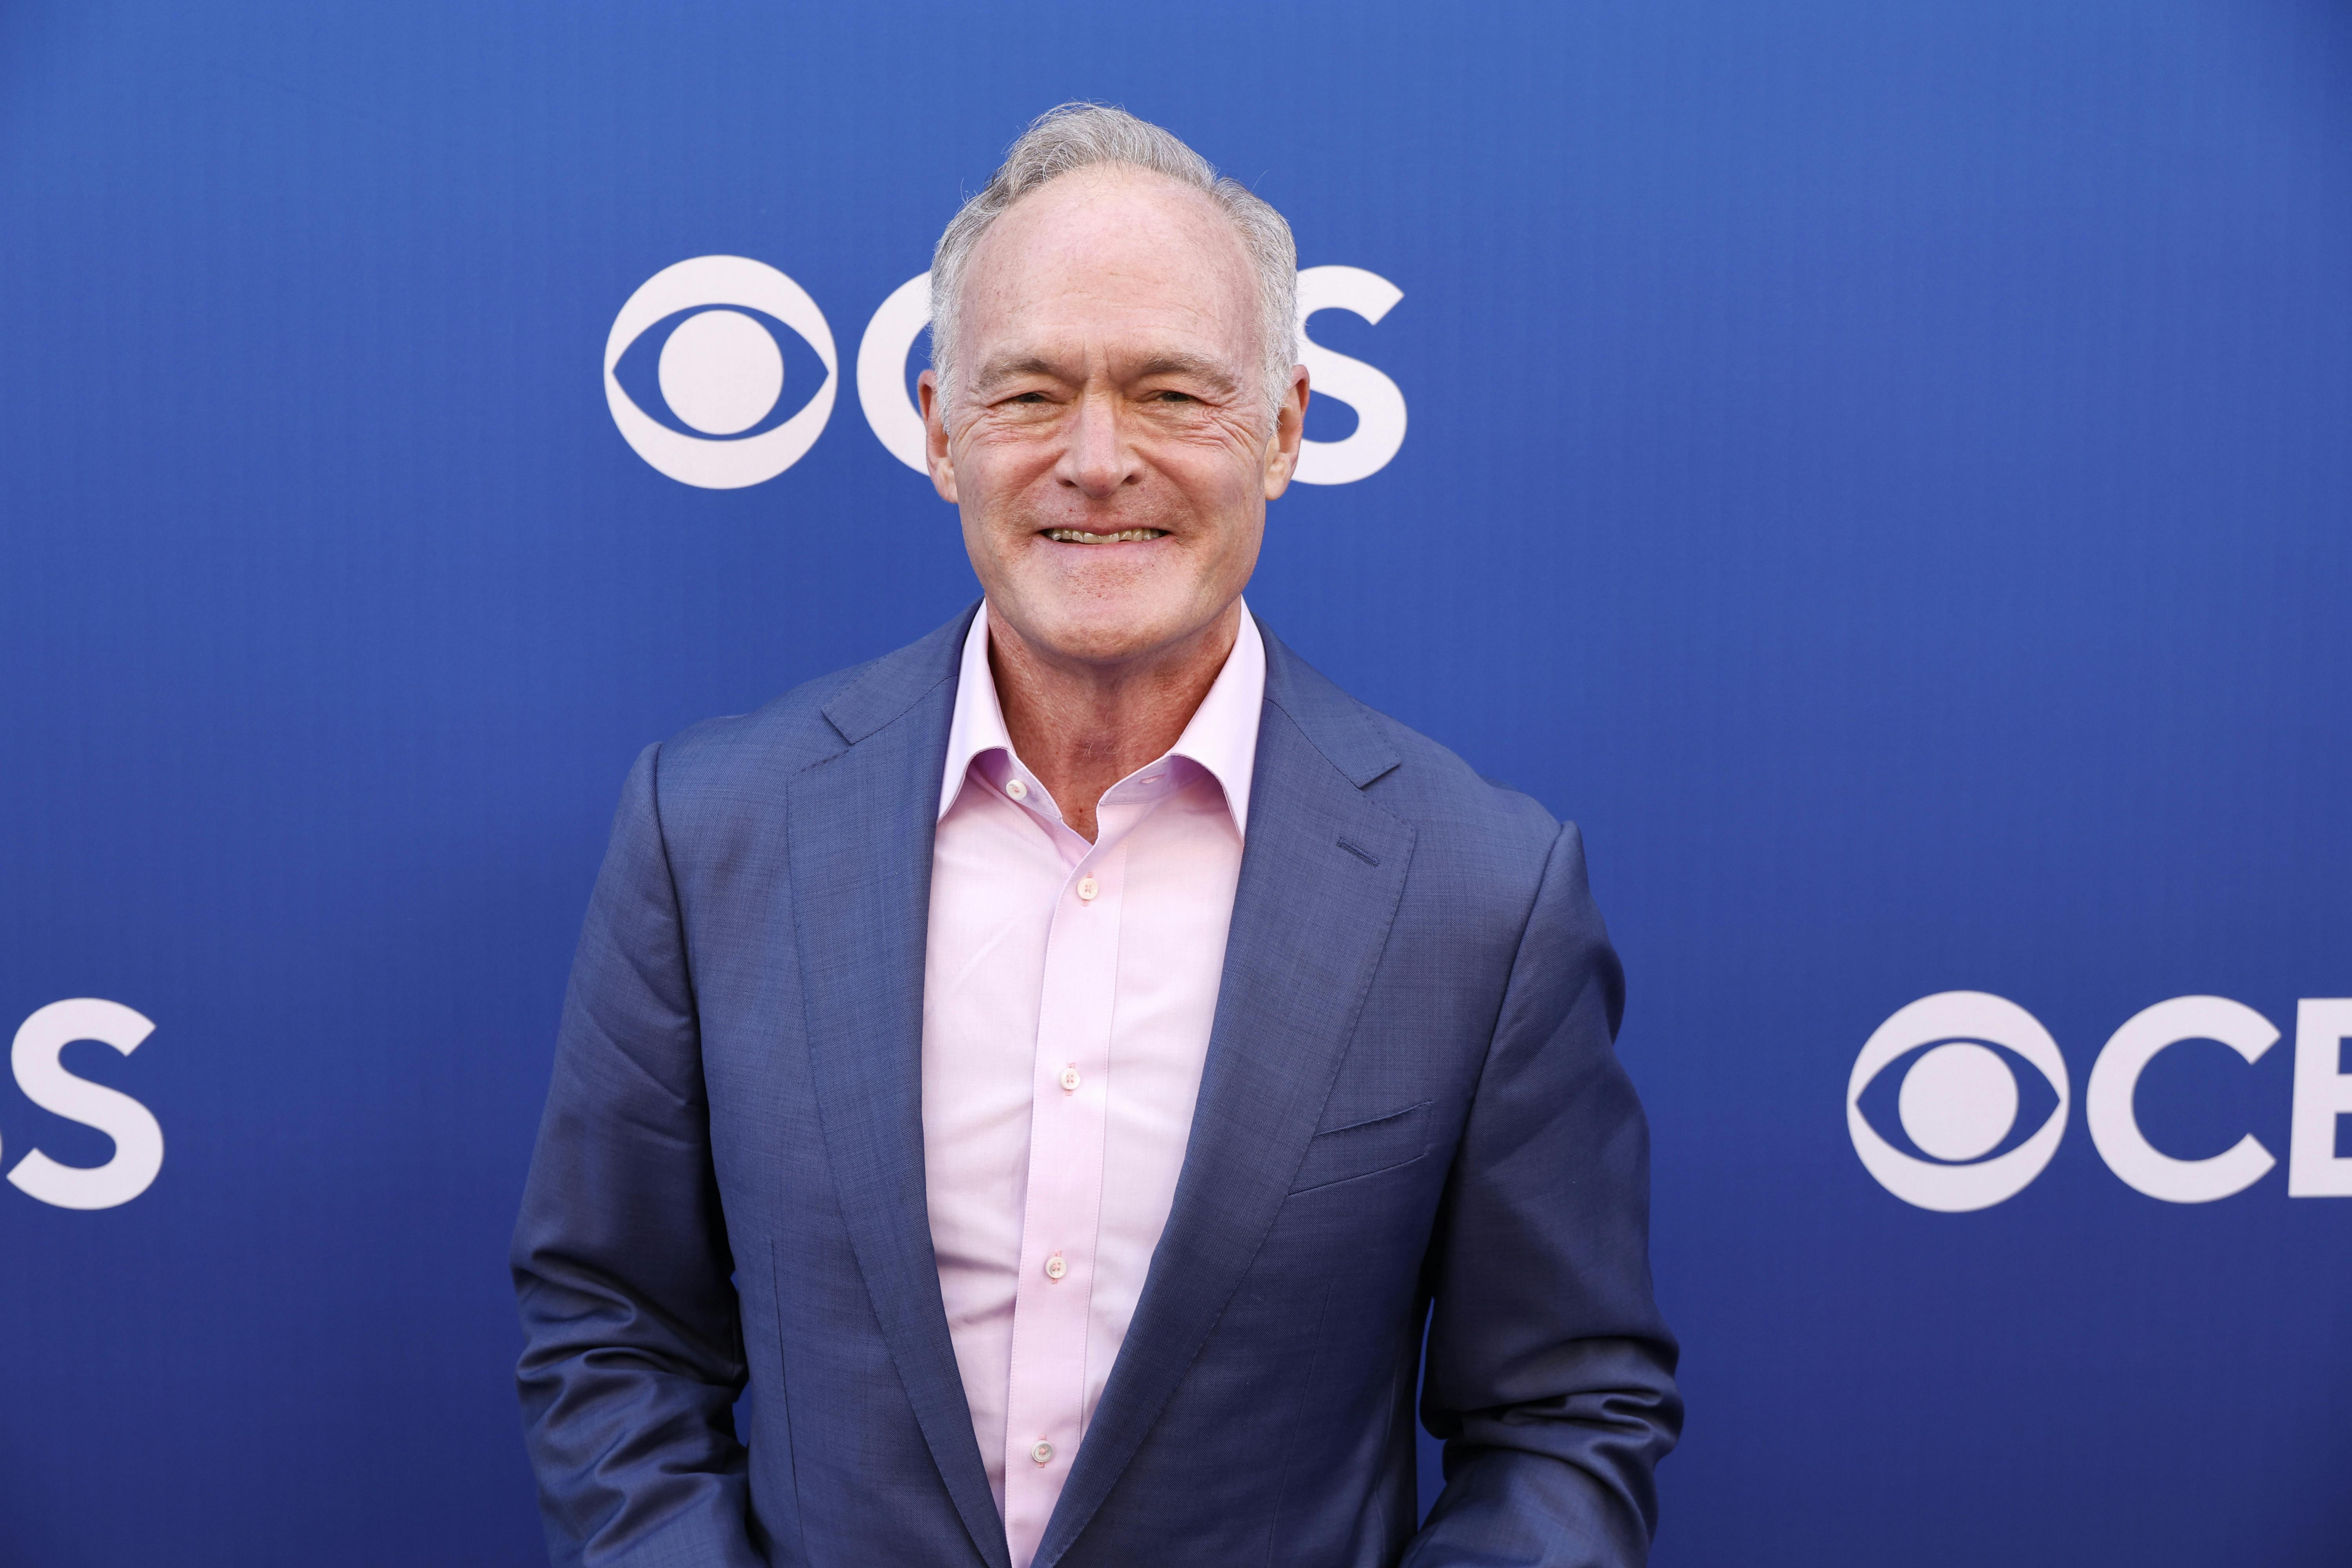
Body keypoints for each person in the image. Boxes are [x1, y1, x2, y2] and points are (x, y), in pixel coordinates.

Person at [512, 103, 1680, 1568]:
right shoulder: (713, 834)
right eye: (1028, 395)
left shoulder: (1482, 893)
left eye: (1175, 393)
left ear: (1285, 431)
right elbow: (614, 1331)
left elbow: (1564, 1420)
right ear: (942, 433)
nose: (1098, 459)